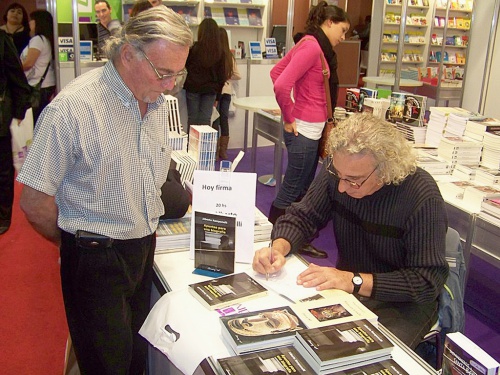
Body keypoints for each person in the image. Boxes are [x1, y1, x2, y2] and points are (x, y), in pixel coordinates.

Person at [17, 6, 193, 374]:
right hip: (96, 255)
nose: (170, 85)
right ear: (128, 53)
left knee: (134, 360)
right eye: (164, 72)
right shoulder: (73, 109)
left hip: (143, 249)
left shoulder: (158, 102)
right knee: (105, 366)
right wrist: (77, 243)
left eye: (179, 74)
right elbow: (34, 201)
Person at [253, 113, 449, 350]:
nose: (342, 187)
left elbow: (425, 282)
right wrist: (278, 248)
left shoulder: (421, 195)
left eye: (354, 181)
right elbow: (303, 216)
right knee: (294, 340)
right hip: (347, 288)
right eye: (339, 176)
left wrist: (352, 279)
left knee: (363, 359)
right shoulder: (340, 170)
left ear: (386, 169)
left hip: (404, 303)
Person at [269, 1, 350, 259]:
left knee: (302, 187)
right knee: (295, 187)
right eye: (342, 29)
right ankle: (277, 239)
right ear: (329, 23)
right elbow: (281, 83)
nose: (344, 37)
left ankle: (290, 238)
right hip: (304, 127)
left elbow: (276, 71)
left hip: (311, 127)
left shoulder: (313, 46)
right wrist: (289, 116)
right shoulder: (312, 46)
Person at [0, 29, 32, 235]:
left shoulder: (2, 40)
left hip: (1, 114)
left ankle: (3, 215)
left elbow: (17, 76)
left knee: (2, 168)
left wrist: (19, 110)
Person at [184, 18, 229, 128]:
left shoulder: (193, 49)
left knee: (192, 119)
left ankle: (192, 145)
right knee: (206, 120)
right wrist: (218, 97)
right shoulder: (220, 52)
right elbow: (221, 76)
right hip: (210, 90)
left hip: (193, 88)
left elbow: (186, 67)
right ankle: (204, 145)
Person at [20, 10, 56, 124]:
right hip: (45, 85)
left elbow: (29, 63)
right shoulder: (46, 39)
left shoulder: (38, 40)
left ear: (37, 22)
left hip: (38, 86)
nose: (29, 23)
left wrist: (14, 70)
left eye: (32, 20)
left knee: (35, 120)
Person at [212, 27, 240, 160]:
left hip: (216, 91)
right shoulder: (230, 56)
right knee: (224, 120)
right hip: (227, 91)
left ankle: (215, 151)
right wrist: (227, 76)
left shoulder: (214, 55)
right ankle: (223, 151)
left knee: (215, 120)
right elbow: (237, 75)